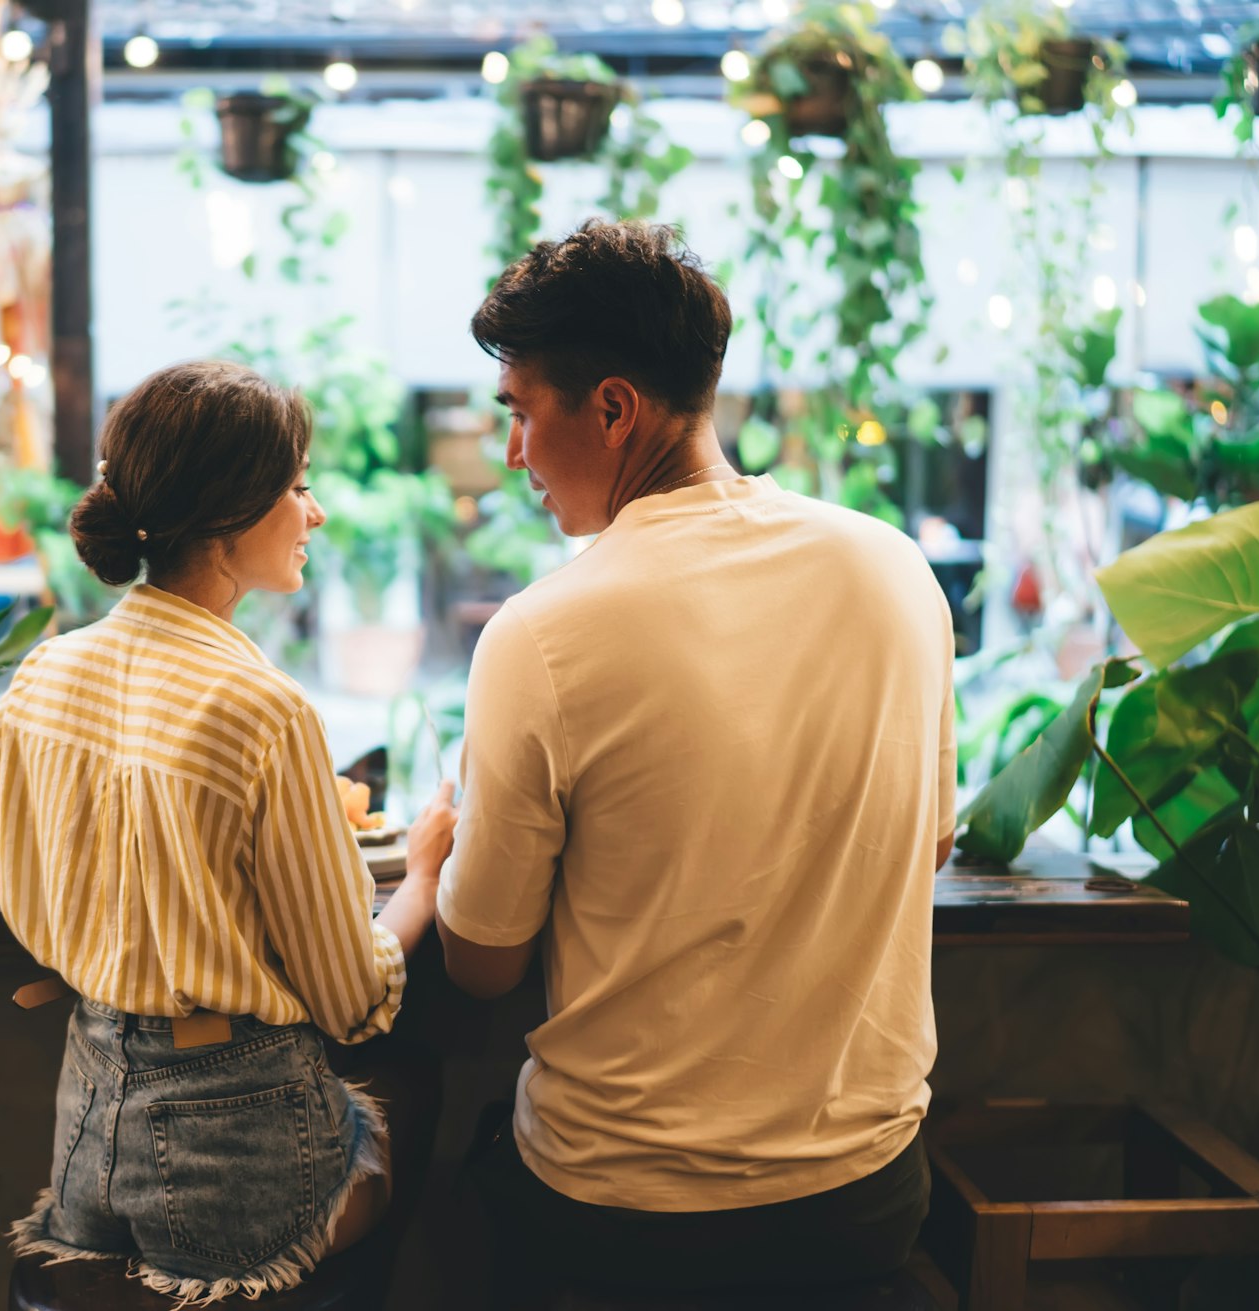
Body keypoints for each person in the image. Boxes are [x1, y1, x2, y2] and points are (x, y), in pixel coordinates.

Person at [436, 220, 955, 1301]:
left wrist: (448, 841)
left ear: (613, 408)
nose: (514, 454)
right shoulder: (895, 569)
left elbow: (482, 962)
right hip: (862, 1196)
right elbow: (932, 841)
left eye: (521, 412)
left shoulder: (543, 633)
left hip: (624, 1218)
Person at [0, 360, 457, 1304]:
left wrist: (48, 857)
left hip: (87, 1140)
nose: (314, 513)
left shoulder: (48, 672)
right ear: (231, 515)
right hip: (240, 1167)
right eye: (298, 487)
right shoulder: (264, 710)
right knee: (417, 1092)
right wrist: (425, 875)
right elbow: (352, 999)